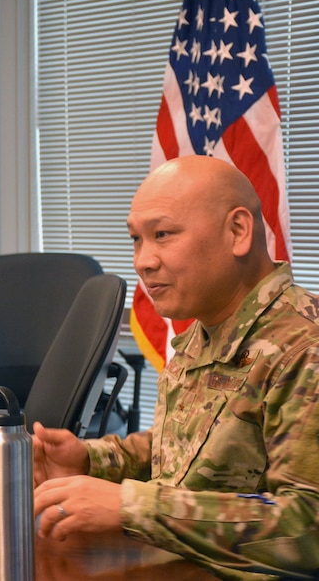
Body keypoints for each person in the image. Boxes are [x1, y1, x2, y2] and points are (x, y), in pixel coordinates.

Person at [32, 155, 319, 579]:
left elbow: (307, 529)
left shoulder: (303, 346)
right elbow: (186, 450)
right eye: (136, 239)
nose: (142, 261)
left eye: (162, 234)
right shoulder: (205, 331)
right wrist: (91, 461)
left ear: (237, 231)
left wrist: (132, 506)